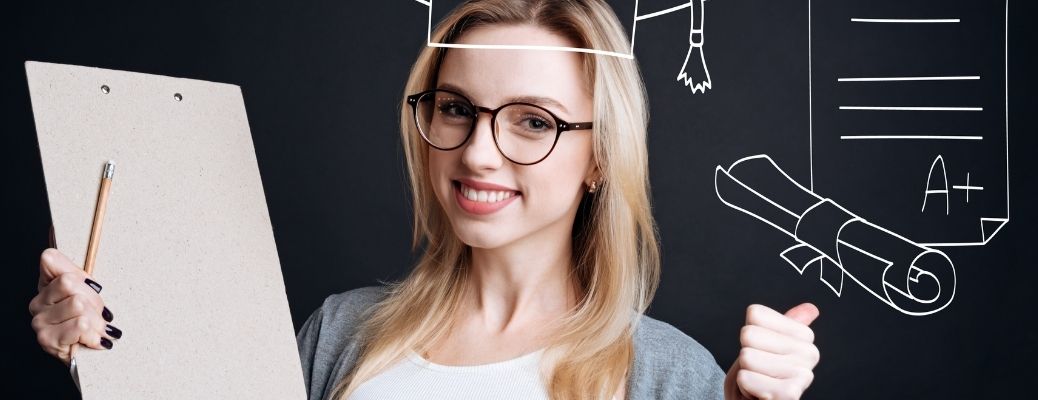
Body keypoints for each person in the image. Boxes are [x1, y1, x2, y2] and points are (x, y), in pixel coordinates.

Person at [29, 1, 820, 399]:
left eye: (532, 121)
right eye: (454, 108)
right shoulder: (339, 333)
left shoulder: (670, 375)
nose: (478, 151)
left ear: (598, 159)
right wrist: (105, 360)